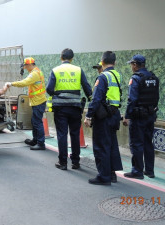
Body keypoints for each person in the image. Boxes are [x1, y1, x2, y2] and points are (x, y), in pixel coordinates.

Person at [46, 48, 92, 170]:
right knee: (75, 134)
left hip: (60, 108)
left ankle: (63, 162)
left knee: (62, 134)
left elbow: (49, 89)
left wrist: (58, 94)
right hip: (75, 107)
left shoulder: (55, 70)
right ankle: (75, 162)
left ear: (61, 58)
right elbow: (87, 88)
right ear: (72, 59)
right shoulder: (78, 70)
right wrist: (92, 100)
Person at [84, 51, 123, 185]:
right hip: (114, 115)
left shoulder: (103, 77)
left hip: (103, 117)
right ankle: (112, 174)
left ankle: (104, 176)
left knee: (101, 146)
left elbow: (96, 99)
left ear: (102, 61)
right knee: (111, 145)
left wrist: (88, 116)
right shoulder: (117, 75)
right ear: (115, 62)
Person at [123, 54, 159, 179]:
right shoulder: (153, 77)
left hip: (138, 117)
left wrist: (127, 116)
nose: (131, 67)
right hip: (150, 115)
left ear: (135, 65)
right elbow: (156, 98)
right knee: (148, 142)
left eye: (132, 64)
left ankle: (137, 171)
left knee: (136, 144)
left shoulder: (136, 78)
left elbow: (132, 99)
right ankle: (150, 171)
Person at [5, 57, 47, 150]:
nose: (25, 68)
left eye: (26, 66)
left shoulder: (35, 74)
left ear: (30, 65)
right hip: (37, 101)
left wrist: (11, 84)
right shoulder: (36, 72)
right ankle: (35, 140)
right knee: (34, 121)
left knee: (37, 122)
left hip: (38, 101)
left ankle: (41, 143)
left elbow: (24, 82)